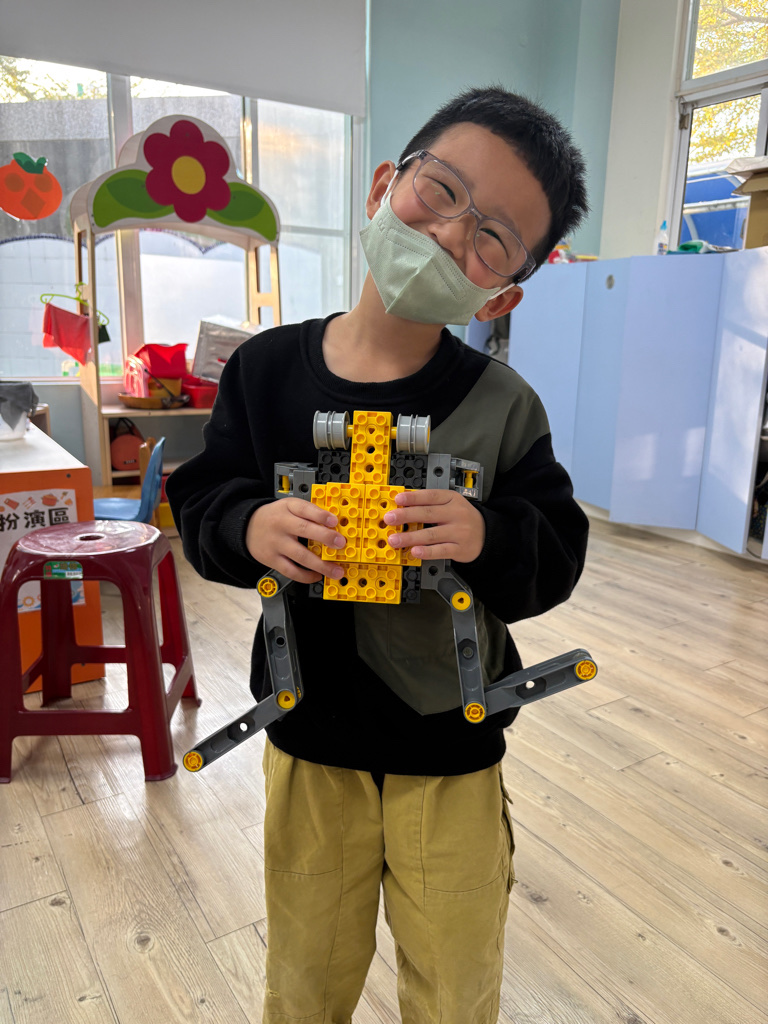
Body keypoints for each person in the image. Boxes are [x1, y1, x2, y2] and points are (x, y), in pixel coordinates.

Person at [167, 85, 589, 1024]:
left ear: (503, 292)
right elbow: (201, 495)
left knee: (455, 977)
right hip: (311, 736)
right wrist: (249, 526)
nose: (449, 235)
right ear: (381, 187)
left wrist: (488, 535)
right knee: (305, 973)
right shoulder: (265, 372)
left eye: (492, 238)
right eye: (440, 191)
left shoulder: (505, 405)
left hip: (451, 746)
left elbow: (559, 548)